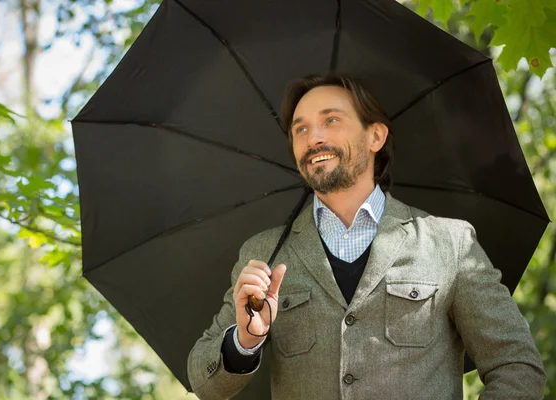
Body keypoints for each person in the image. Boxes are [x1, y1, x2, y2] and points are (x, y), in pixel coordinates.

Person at [187, 74, 546, 399]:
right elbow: (205, 383)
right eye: (300, 129)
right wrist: (246, 340)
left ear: (376, 135)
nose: (314, 138)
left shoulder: (450, 243)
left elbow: (517, 366)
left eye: (331, 120)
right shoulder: (264, 253)